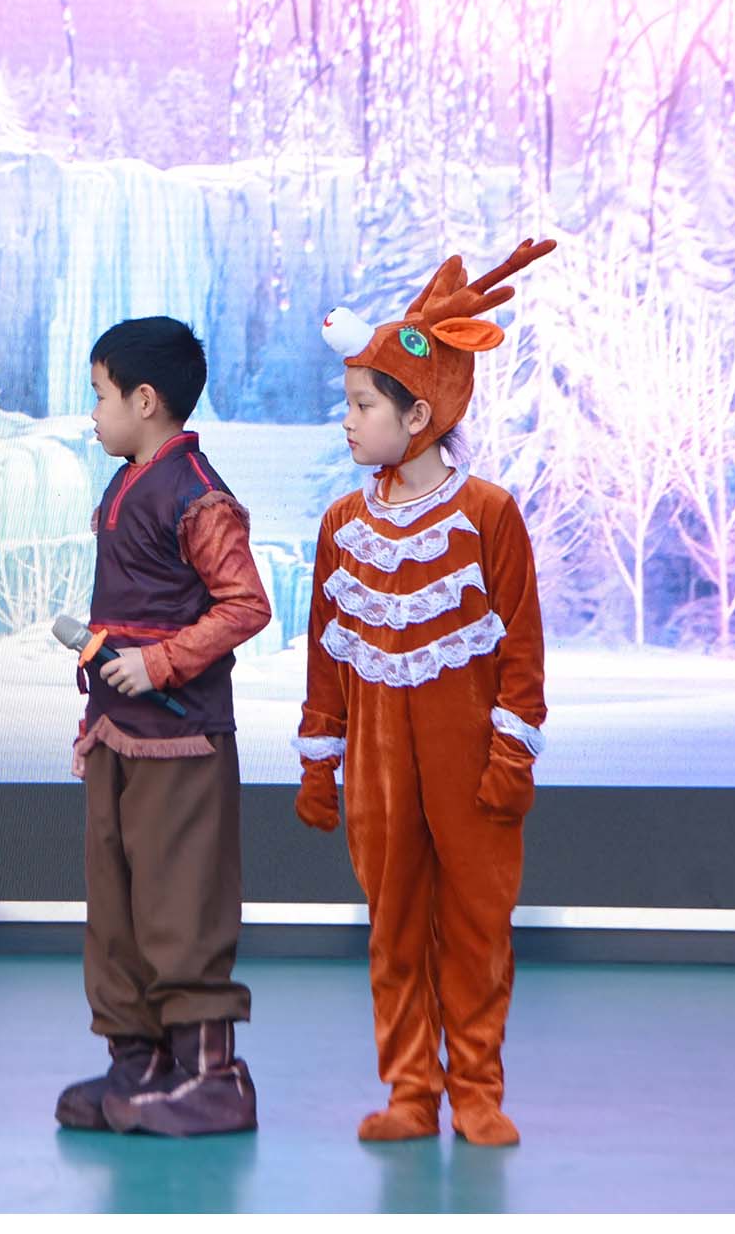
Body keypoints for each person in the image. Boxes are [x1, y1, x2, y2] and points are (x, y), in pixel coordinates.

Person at [295, 240, 555, 1147]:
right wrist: (320, 762)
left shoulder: (488, 514)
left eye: (362, 405)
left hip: (469, 764)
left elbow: (522, 648)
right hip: (378, 772)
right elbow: (327, 655)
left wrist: (511, 755)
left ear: (419, 414)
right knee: (394, 926)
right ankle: (412, 1089)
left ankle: (476, 1088)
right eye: (348, 403)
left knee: (476, 926)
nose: (348, 421)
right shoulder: (342, 525)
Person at [55, 317, 272, 1137]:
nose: (93, 414)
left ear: (144, 400)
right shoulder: (125, 484)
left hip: (182, 744)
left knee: (180, 902)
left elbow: (245, 605)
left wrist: (160, 664)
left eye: (99, 396)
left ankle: (211, 1077)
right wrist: (97, 717)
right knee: (117, 907)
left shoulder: (196, 493)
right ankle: (138, 1063)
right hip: (119, 736)